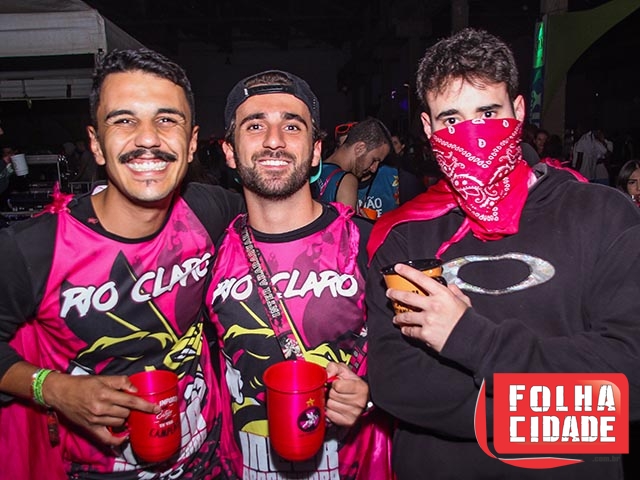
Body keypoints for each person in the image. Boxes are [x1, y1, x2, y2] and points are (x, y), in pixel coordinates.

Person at [365, 28, 640, 480]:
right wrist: (572, 414)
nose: (471, 134)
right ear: (429, 129)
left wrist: (471, 339)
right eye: (451, 119)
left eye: (488, 112)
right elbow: (396, 382)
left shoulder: (602, 215)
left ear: (518, 110)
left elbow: (629, 376)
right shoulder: (405, 236)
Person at [0, 48, 244, 479]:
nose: (148, 138)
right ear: (96, 144)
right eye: (124, 121)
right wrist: (52, 388)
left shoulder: (210, 211)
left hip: (207, 461)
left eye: (166, 120)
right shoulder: (36, 247)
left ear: (191, 143)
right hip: (93, 469)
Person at [207, 69, 392, 479]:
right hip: (247, 465)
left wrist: (372, 394)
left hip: (352, 464)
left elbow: (415, 358)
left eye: (292, 126)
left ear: (314, 151)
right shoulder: (209, 256)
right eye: (255, 126)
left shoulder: (368, 243)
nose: (274, 140)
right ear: (230, 152)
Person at [315, 117, 392, 211]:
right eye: (374, 160)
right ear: (360, 148)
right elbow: (345, 221)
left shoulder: (315, 169)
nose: (374, 169)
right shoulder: (347, 180)